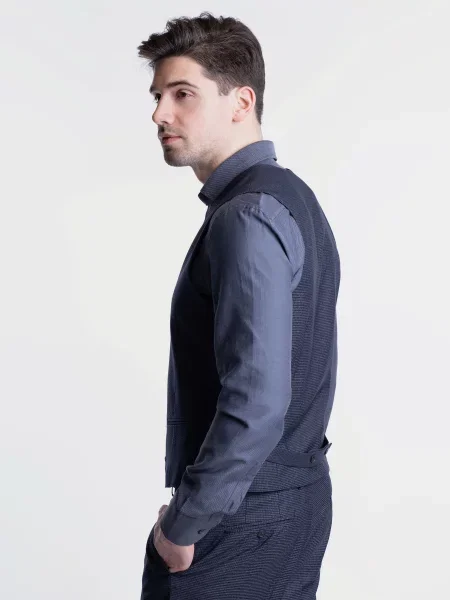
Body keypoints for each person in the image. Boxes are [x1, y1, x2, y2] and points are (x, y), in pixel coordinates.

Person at [137, 11, 340, 600]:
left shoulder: (246, 217)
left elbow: (257, 401)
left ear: (240, 101)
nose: (160, 114)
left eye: (182, 94)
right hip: (289, 507)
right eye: (157, 96)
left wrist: (184, 524)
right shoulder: (293, 198)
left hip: (238, 524)